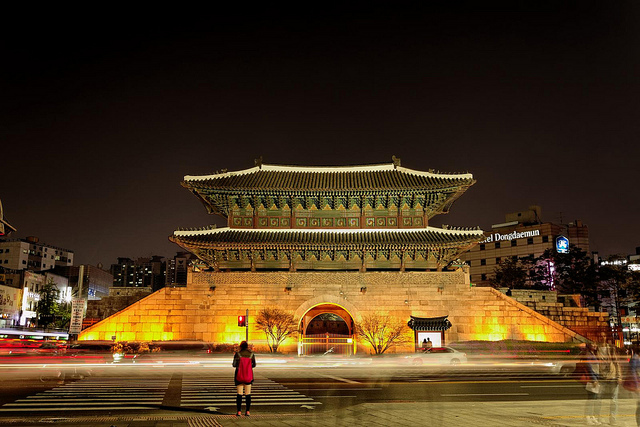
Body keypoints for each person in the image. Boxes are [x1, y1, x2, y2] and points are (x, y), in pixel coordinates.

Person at [598, 343, 621, 426]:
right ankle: (598, 417)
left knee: (614, 400)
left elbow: (617, 364)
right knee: (599, 399)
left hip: (612, 377)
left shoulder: (611, 351)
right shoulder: (598, 350)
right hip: (602, 377)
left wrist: (619, 376)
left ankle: (612, 419)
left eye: (604, 336)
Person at [233, 341, 256, 417]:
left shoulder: (238, 354)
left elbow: (234, 365)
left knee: (239, 394)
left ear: (240, 346)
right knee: (248, 394)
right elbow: (254, 364)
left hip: (239, 376)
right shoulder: (251, 354)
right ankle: (247, 411)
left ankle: (239, 411)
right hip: (248, 376)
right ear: (247, 346)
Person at [584, 343, 602, 425]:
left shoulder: (592, 354)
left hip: (595, 378)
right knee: (591, 399)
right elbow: (589, 367)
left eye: (595, 344)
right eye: (593, 344)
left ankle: (592, 416)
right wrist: (594, 379)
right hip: (592, 380)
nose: (595, 345)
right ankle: (588, 417)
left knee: (593, 399)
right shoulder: (588, 354)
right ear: (589, 346)